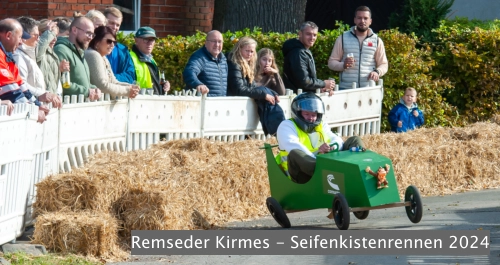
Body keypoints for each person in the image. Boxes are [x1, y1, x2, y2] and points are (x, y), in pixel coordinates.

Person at [276, 92, 364, 183]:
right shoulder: (286, 126)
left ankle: (362, 169)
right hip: (301, 174)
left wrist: (331, 147)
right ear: (298, 113)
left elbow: (337, 140)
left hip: (325, 165)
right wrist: (319, 153)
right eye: (306, 114)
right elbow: (297, 148)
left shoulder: (322, 124)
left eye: (314, 115)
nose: (311, 118)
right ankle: (333, 174)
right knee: (295, 153)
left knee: (354, 140)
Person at [327, 6, 388, 90]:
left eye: (365, 18)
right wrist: (343, 65)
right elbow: (331, 63)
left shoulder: (377, 41)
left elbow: (384, 64)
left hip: (368, 89)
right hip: (346, 89)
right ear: (354, 20)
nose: (362, 21)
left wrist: (377, 72)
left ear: (370, 21)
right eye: (359, 18)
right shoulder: (342, 38)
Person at [0, 18, 47, 123]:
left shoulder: (7, 56)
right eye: (20, 37)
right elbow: (11, 92)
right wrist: (33, 111)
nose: (21, 42)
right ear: (8, 36)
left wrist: (37, 105)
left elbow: (21, 85)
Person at [15, 16, 62, 108]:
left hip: (33, 108)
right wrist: (41, 94)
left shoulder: (28, 55)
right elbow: (20, 84)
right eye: (36, 35)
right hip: (24, 110)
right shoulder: (18, 56)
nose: (38, 39)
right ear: (24, 36)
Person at [54, 16, 101, 100]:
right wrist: (86, 92)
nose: (90, 37)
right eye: (88, 33)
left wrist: (94, 88)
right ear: (74, 30)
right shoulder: (61, 50)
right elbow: (62, 83)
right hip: (67, 107)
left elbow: (82, 83)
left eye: (92, 34)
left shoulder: (80, 52)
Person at [84, 26, 139, 98]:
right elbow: (102, 86)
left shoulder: (103, 57)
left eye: (115, 42)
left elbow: (114, 82)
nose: (112, 45)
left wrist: (131, 87)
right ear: (97, 41)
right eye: (109, 41)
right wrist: (127, 90)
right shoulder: (93, 54)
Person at [282, 21, 334, 95]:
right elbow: (304, 81)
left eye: (315, 35)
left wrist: (320, 88)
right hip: (298, 100)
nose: (312, 38)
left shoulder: (303, 50)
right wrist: (323, 84)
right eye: (308, 34)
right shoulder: (298, 53)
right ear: (300, 34)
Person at [226, 37, 277, 104]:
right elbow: (239, 90)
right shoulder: (234, 64)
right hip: (233, 103)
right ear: (239, 49)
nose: (249, 54)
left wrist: (272, 93)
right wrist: (263, 95)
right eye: (247, 51)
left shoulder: (247, 64)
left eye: (252, 51)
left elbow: (252, 87)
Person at [182, 30, 227, 96]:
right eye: (213, 41)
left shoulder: (223, 59)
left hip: (220, 103)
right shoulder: (199, 57)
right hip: (203, 103)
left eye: (220, 42)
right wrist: (198, 84)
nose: (217, 44)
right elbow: (189, 72)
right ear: (206, 43)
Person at [129, 26, 170, 95]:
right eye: (146, 39)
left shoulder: (152, 60)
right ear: (136, 40)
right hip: (138, 101)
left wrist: (164, 85)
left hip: (152, 101)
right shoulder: (130, 58)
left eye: (152, 40)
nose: (149, 43)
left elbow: (156, 82)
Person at [103, 6, 136, 84]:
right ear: (103, 22)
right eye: (111, 23)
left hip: (118, 93)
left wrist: (111, 78)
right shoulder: (93, 46)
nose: (115, 27)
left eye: (118, 25)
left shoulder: (123, 50)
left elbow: (130, 75)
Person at [37, 19, 69, 95]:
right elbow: (38, 52)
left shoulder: (51, 52)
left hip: (52, 98)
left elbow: (51, 80)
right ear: (41, 34)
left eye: (56, 36)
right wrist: (48, 33)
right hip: (42, 98)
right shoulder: (37, 50)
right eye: (52, 35)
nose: (55, 39)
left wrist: (59, 70)